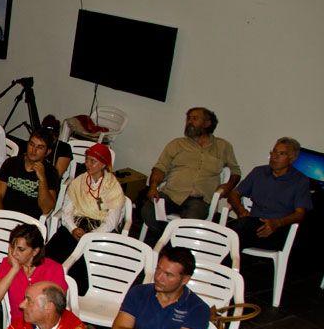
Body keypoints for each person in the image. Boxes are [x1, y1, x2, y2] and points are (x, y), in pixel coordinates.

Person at [141, 106, 240, 237]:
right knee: (147, 210)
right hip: (171, 195)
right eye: (188, 119)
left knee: (190, 222)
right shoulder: (177, 144)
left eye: (194, 119)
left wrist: (228, 186)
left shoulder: (223, 146)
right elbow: (160, 167)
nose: (189, 122)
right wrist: (153, 187)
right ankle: (170, 238)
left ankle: (174, 241)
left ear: (207, 123)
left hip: (199, 200)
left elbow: (235, 171)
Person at [46, 143, 127, 263]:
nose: (87, 164)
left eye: (93, 161)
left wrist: (90, 235)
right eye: (87, 160)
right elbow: (67, 210)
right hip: (77, 226)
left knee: (84, 262)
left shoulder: (113, 188)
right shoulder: (78, 182)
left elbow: (111, 222)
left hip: (100, 230)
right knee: (53, 253)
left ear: (103, 164)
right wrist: (73, 228)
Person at [226, 136, 312, 249]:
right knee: (235, 232)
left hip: (277, 229)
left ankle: (218, 264)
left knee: (235, 235)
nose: (274, 157)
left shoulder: (300, 181)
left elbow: (300, 214)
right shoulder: (259, 172)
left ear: (292, 158)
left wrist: (277, 223)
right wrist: (240, 209)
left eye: (281, 154)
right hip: (252, 223)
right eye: (274, 152)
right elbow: (234, 194)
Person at [0, 224, 67, 325]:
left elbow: (56, 311)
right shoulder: (8, 264)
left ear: (35, 251)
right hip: (19, 327)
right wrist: (14, 270)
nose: (14, 253)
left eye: (21, 249)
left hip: (44, 327)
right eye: (12, 247)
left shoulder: (53, 269)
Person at [0, 130, 59, 218]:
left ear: (48, 152)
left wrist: (42, 179)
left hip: (28, 224)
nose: (34, 150)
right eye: (31, 144)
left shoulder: (51, 172)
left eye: (40, 147)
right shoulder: (11, 163)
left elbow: (46, 209)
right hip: (3, 216)